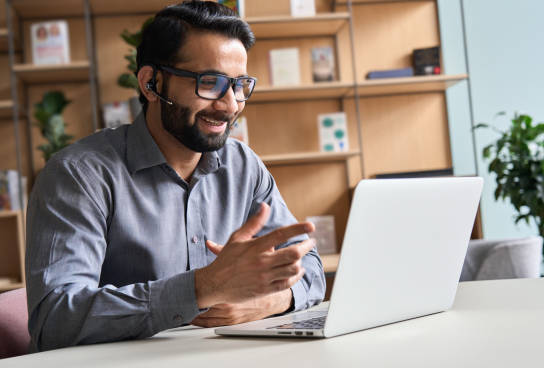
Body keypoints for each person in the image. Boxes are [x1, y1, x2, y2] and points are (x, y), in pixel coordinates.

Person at [25, 1, 325, 352]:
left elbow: (311, 270)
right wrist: (202, 288)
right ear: (151, 83)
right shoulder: (78, 175)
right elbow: (55, 320)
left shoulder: (243, 166)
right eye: (209, 82)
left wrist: (268, 302)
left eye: (239, 84)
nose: (229, 105)